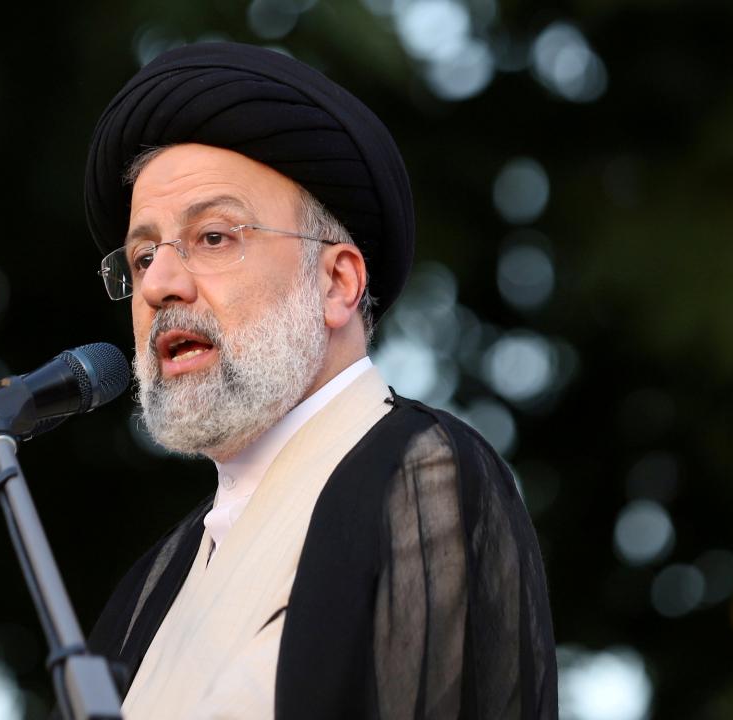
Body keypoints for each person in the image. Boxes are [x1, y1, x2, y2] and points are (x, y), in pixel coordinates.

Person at [79, 42, 557, 719]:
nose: (158, 284)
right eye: (142, 256)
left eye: (213, 237)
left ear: (336, 283)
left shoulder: (420, 477)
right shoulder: (148, 589)